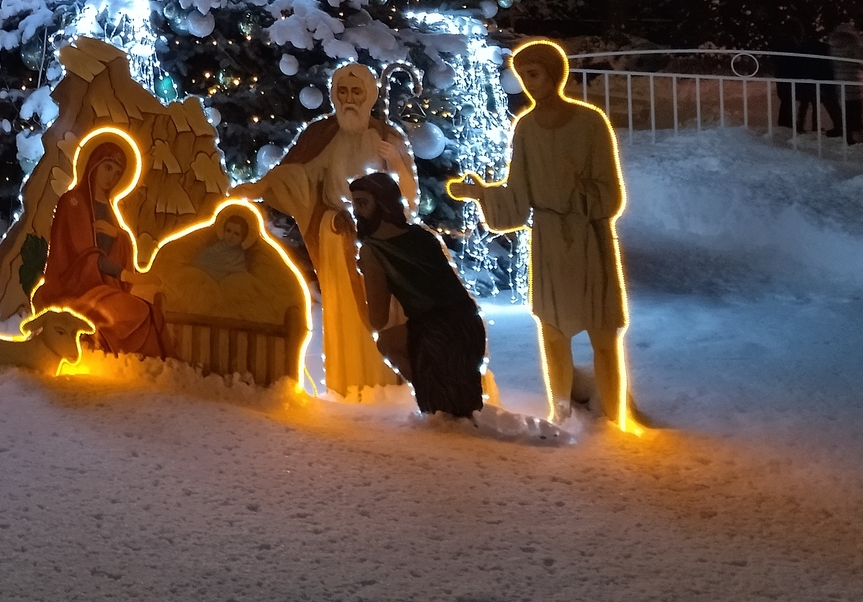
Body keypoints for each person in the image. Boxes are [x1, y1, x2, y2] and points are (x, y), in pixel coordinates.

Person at [447, 38, 631, 426]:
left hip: (587, 241)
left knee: (602, 333)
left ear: (554, 73)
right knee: (552, 333)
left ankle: (614, 418)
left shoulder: (590, 122)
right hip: (547, 241)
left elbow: (610, 194)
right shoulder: (526, 128)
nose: (529, 83)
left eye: (534, 74)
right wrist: (480, 193)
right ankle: (561, 414)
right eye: (522, 76)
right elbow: (518, 197)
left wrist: (574, 192)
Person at [233, 62, 415, 397]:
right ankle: (352, 377)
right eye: (342, 92)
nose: (349, 99)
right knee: (345, 311)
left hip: (380, 239)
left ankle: (391, 378)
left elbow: (409, 198)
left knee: (388, 308)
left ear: (370, 95)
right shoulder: (323, 135)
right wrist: (259, 188)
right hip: (336, 235)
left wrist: (398, 162)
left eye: (356, 92)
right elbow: (296, 174)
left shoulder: (389, 137)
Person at [349, 171, 487, 419]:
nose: (356, 212)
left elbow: (378, 320)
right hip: (470, 326)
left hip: (436, 334)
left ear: (381, 204)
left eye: (362, 203)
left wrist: (365, 277)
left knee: (387, 342)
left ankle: (432, 394)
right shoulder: (422, 235)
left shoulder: (373, 250)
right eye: (354, 204)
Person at [36, 136, 166, 356]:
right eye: (107, 168)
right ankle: (109, 351)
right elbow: (85, 257)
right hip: (75, 287)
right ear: (93, 165)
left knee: (148, 312)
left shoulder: (108, 207)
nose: (111, 177)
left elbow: (114, 248)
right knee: (137, 310)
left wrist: (119, 236)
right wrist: (127, 275)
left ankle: (142, 364)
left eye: (117, 173)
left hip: (103, 287)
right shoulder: (73, 202)